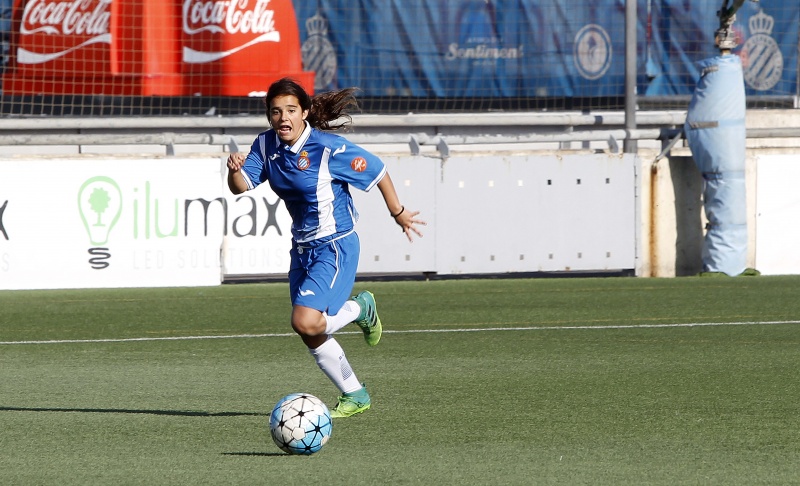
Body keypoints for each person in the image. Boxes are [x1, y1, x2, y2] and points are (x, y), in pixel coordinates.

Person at [226, 77, 425, 418]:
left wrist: (399, 212)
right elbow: (240, 186)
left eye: (290, 110)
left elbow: (378, 172)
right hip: (302, 250)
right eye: (275, 112)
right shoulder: (265, 145)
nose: (283, 118)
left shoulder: (328, 149)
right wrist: (233, 171)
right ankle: (356, 395)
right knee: (310, 331)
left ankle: (360, 309)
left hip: (335, 247)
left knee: (305, 321)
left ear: (304, 112)